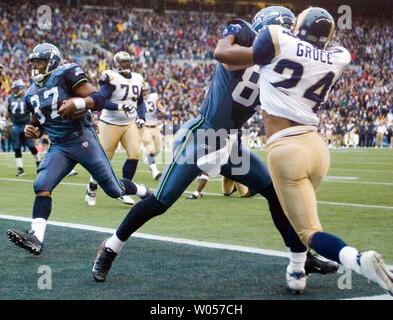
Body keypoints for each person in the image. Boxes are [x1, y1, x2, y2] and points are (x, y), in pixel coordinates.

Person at [91, 7, 338, 291]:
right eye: (284, 32)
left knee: (275, 192)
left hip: (229, 142)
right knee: (161, 201)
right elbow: (222, 53)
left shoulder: (283, 57)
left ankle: (301, 259)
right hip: (203, 135)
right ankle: (110, 248)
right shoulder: (243, 34)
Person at [213, 7, 393, 295]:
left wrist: (228, 37)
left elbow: (226, 57)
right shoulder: (338, 57)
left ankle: (358, 260)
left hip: (286, 147)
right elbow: (321, 46)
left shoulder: (277, 37)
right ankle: (296, 272)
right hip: (316, 147)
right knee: (295, 213)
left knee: (309, 231)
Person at [6, 43, 150, 256]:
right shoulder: (30, 93)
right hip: (59, 146)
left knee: (114, 190)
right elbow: (36, 121)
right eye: (33, 62)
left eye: (40, 62)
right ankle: (36, 237)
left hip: (82, 139)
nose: (35, 66)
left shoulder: (66, 73)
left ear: (53, 61)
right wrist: (33, 130)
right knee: (42, 185)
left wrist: (79, 104)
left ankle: (143, 191)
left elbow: (100, 98)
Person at [85, 51, 147, 207]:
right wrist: (120, 106)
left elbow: (140, 102)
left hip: (129, 123)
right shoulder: (110, 77)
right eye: (123, 62)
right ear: (116, 64)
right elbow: (101, 100)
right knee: (104, 160)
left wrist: (142, 117)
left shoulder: (138, 78)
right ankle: (92, 187)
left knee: (134, 155)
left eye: (128, 62)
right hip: (109, 123)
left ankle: (125, 190)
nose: (126, 65)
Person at [5, 80, 41, 176]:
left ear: (21, 89)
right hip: (16, 126)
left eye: (16, 89)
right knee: (16, 148)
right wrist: (4, 120)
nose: (14, 91)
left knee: (31, 146)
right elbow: (8, 111)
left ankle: (38, 163)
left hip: (26, 124)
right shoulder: (10, 99)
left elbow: (34, 111)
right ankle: (20, 169)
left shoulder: (27, 98)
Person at [141, 81, 166, 180]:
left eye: (146, 90)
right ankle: (155, 171)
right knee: (150, 149)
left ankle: (149, 160)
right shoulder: (137, 100)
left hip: (155, 126)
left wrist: (162, 111)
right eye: (143, 91)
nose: (145, 92)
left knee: (159, 149)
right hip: (144, 127)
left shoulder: (153, 97)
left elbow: (160, 108)